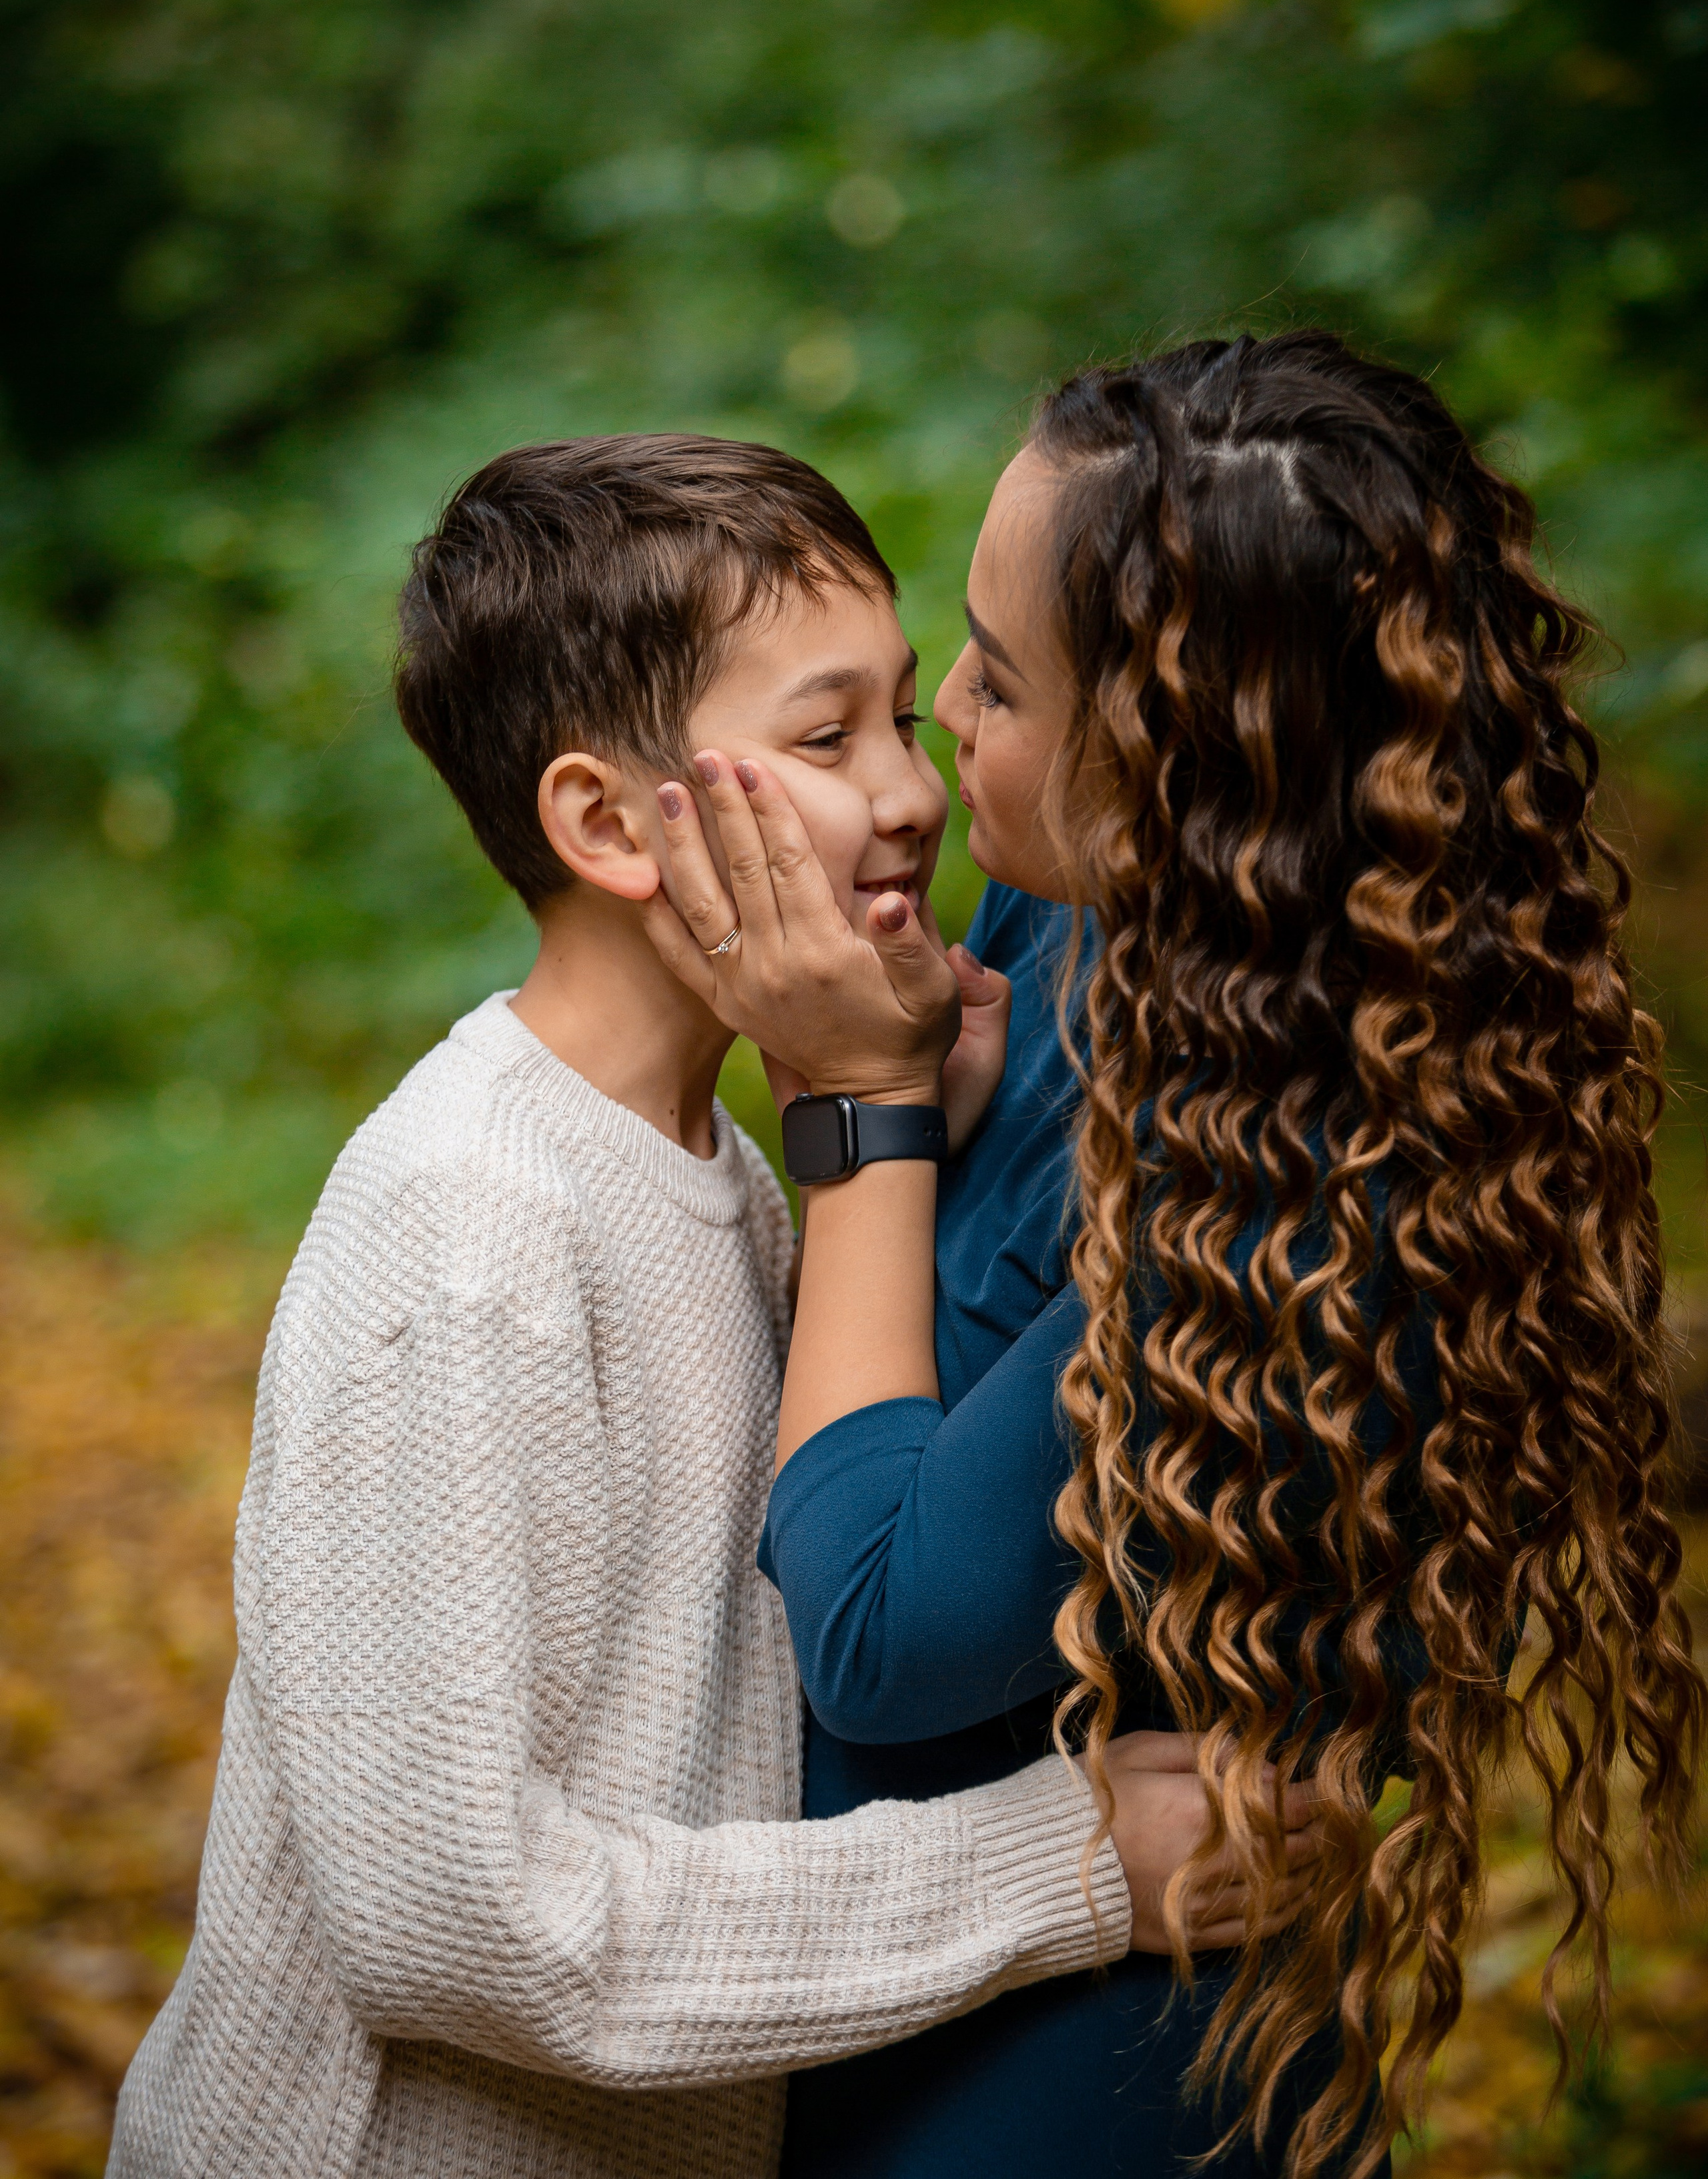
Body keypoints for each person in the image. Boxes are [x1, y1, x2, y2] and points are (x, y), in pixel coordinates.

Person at [106, 434, 1318, 2179]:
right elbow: (456, 1924)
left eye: (906, 714)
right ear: (605, 823)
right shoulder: (470, 1226)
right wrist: (1064, 1868)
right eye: (827, 740)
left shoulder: (724, 1183)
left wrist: (912, 1141)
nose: (912, 791)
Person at [644, 334, 1707, 2179]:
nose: (951, 720)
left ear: (1172, 771)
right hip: (867, 2000)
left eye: (1004, 681)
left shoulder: (1322, 1171)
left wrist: (858, 1119)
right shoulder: (1076, 925)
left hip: (1066, 2091)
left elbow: (883, 1638)